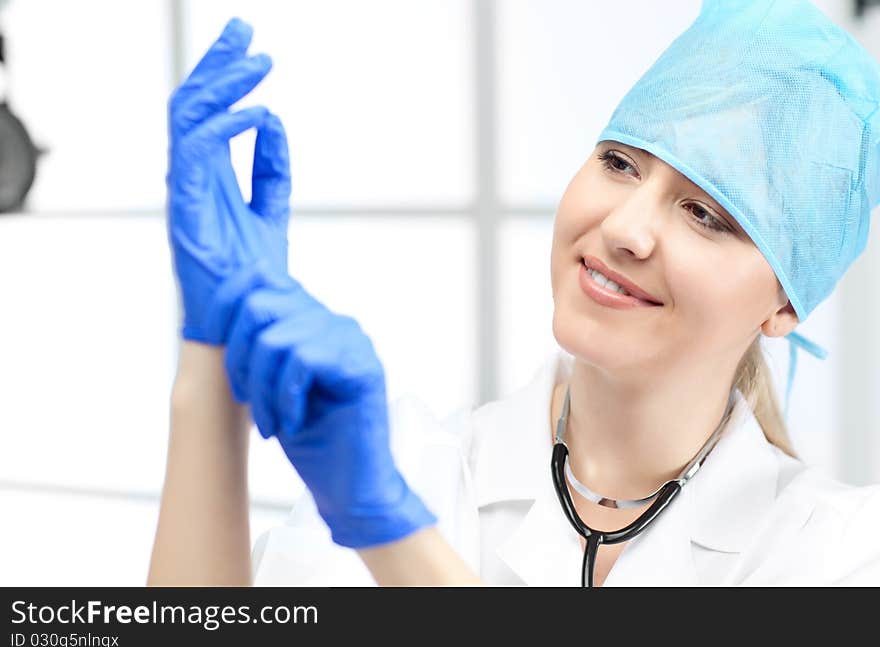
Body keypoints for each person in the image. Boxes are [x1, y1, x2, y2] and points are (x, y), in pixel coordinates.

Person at [148, 2, 880, 587]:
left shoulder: (837, 551)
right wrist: (215, 365)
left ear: (785, 303)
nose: (625, 227)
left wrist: (392, 533)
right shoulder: (407, 457)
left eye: (706, 213)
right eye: (620, 161)